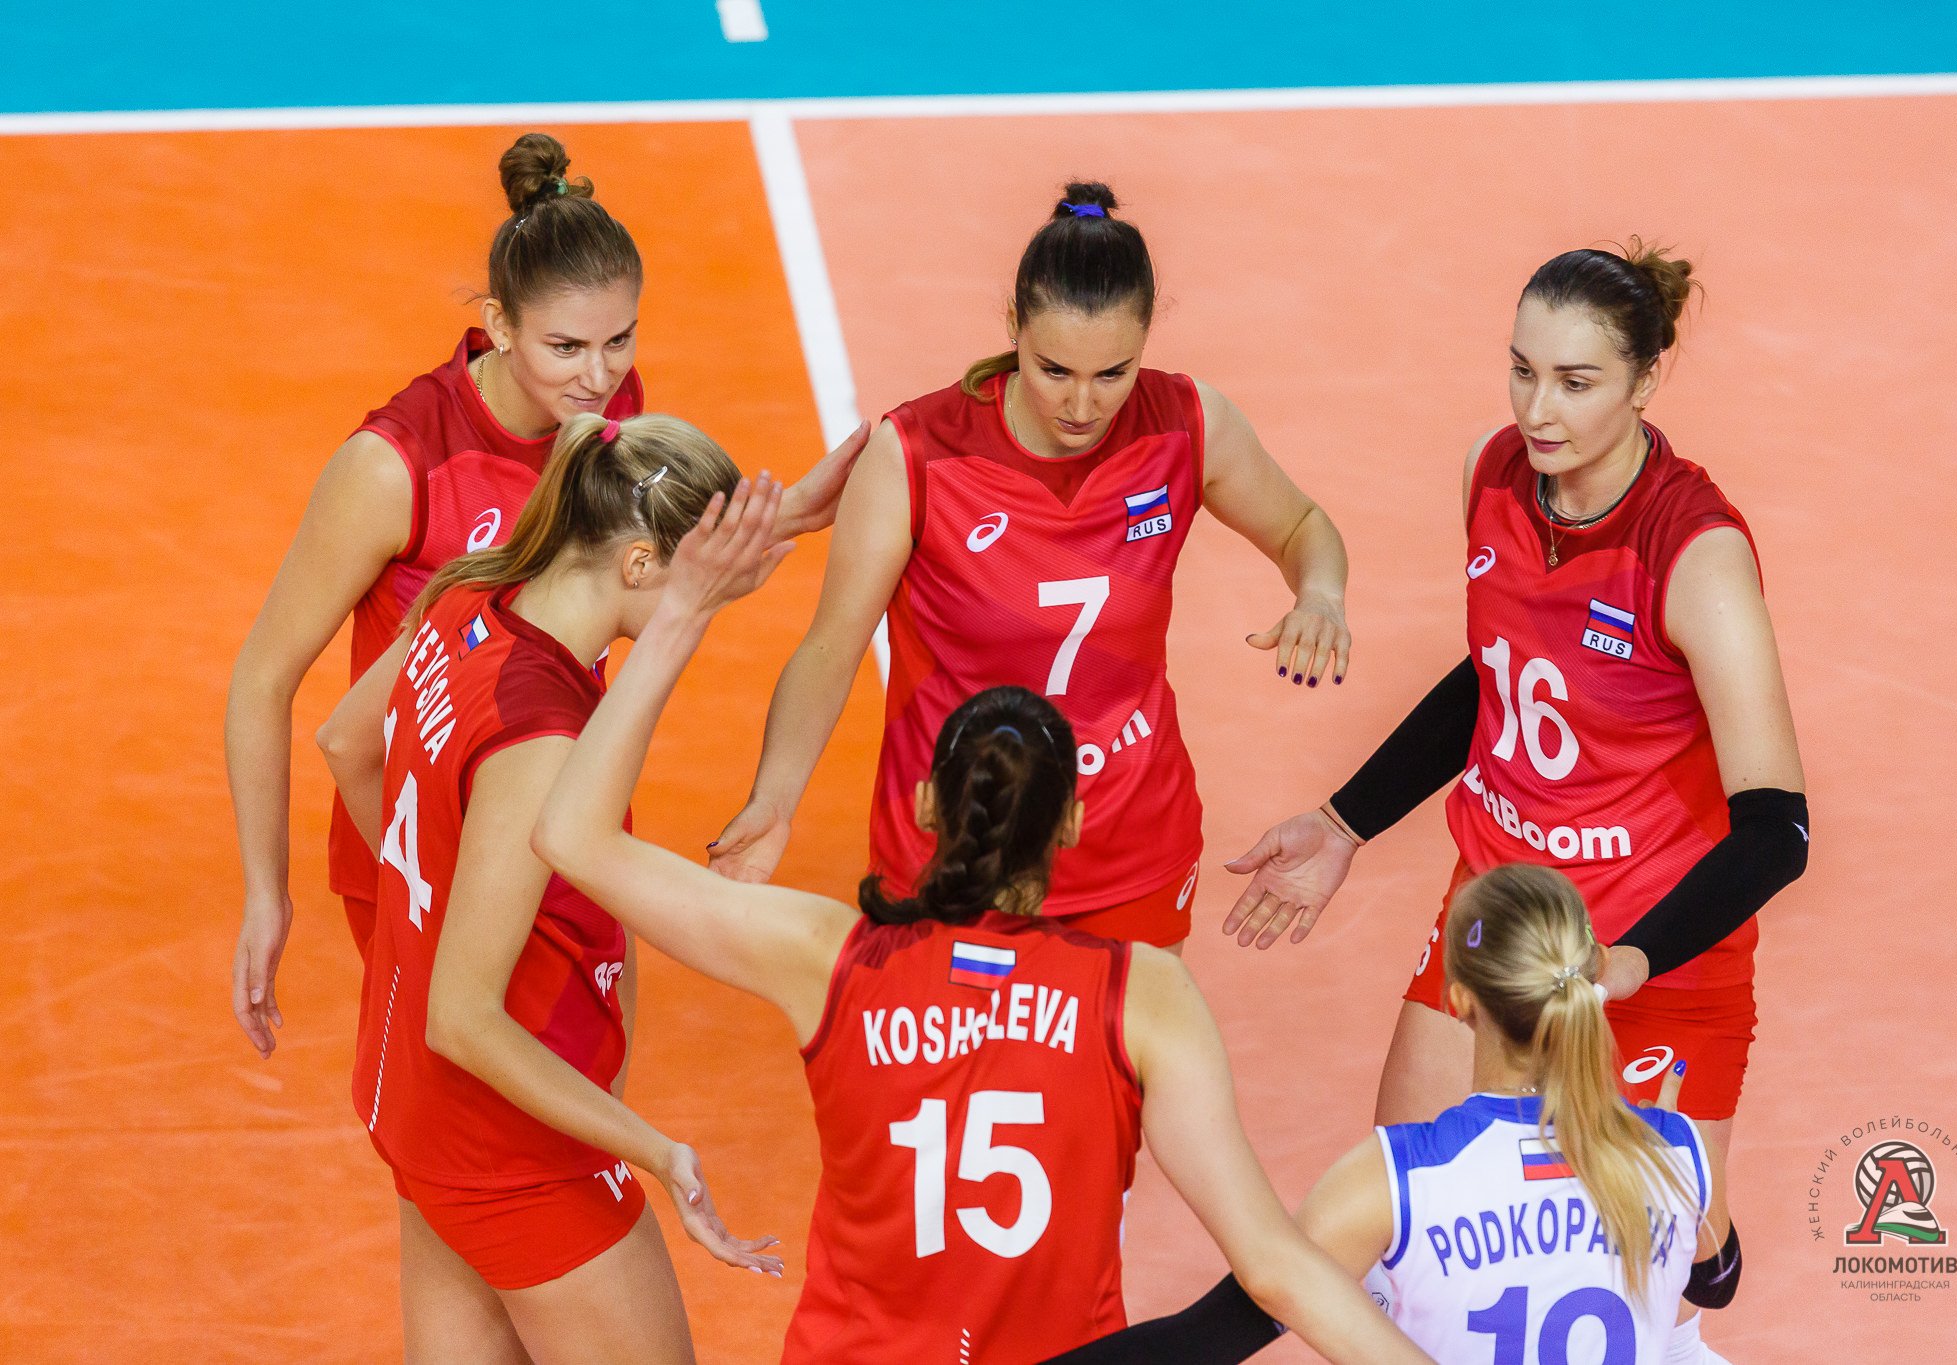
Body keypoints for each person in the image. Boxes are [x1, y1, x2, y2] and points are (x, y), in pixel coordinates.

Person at [531, 551, 1425, 1363]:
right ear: (1070, 822)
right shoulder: (1142, 994)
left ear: (927, 805)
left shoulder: (828, 956)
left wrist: (680, 613)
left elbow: (571, 834)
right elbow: (1272, 1270)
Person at [1222, 242, 1802, 1361]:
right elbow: (1498, 669)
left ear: (1645, 381)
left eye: (1576, 383)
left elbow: (1778, 829)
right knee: (1408, 1252)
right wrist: (1344, 823)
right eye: (1521, 371)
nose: (1538, 411)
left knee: (1664, 1285)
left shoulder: (1694, 551)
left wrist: (1631, 960)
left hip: (1651, 952)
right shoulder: (1493, 475)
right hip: (1497, 919)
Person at [228, 130, 860, 1057]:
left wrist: (777, 517)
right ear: (499, 322)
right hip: (431, 848)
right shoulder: (397, 464)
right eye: (565, 346)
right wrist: (264, 890)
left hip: (571, 812)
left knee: (594, 1073)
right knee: (475, 1111)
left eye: (619, 340)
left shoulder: (606, 418)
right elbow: (262, 678)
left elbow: (626, 579)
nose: (599, 375)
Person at [709, 181, 1352, 950]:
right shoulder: (918, 455)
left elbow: (1303, 526)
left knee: (1130, 1035)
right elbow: (830, 645)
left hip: (1130, 842)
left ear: (1147, 339)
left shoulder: (1186, 426)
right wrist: (775, 800)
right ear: (1013, 325)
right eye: (1054, 370)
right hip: (954, 847)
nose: (1082, 405)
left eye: (1112, 374)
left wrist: (1321, 594)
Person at [317, 416, 785, 1364]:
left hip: (418, 1104)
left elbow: (346, 743)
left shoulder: (470, 593)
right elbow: (464, 1017)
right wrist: (655, 1149)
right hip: (513, 1145)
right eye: (697, 596)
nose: (699, 621)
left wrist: (440, 905)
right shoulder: (542, 737)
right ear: (641, 564)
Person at [1046, 864, 1739, 1365]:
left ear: (1459, 1001)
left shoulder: (1394, 1178)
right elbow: (1716, 1281)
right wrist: (1658, 1146)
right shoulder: (1675, 1149)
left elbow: (1211, 1335)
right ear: (1591, 975)